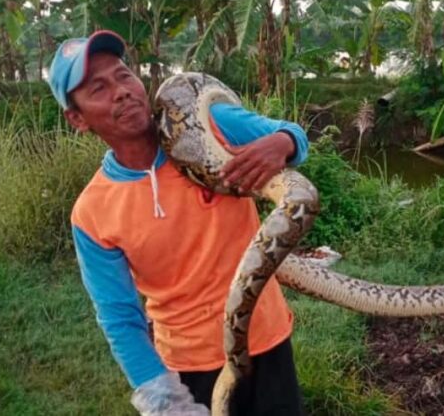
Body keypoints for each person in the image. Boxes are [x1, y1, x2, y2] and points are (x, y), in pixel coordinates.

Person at [47, 30, 308, 415]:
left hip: (267, 338)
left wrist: (283, 141)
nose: (120, 91)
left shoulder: (209, 126)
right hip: (190, 364)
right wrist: (163, 398)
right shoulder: (92, 212)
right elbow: (120, 317)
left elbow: (294, 137)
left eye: (123, 75)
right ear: (77, 118)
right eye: (98, 88)